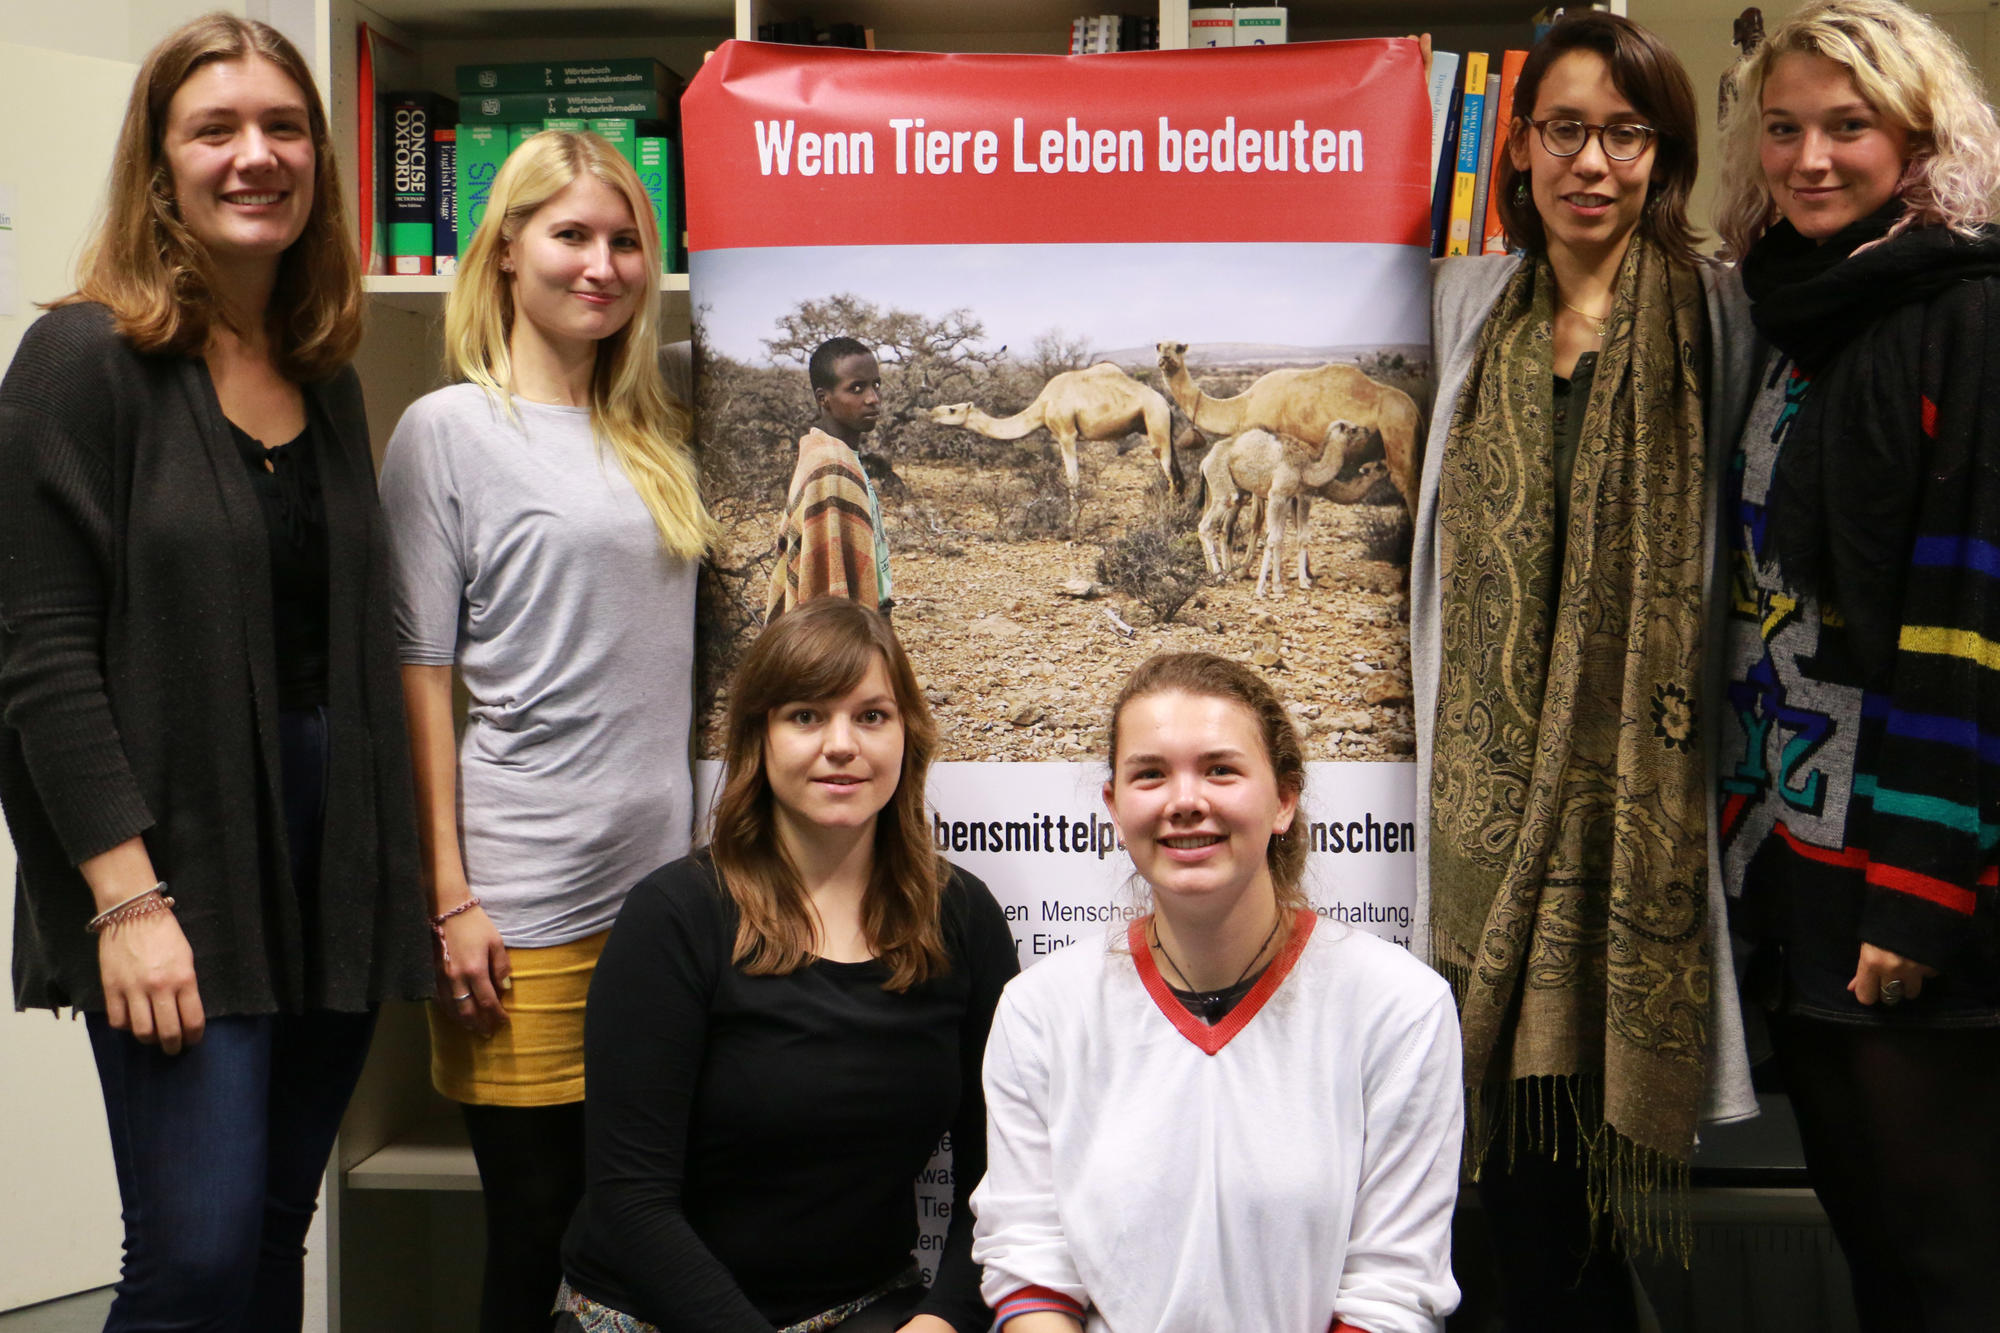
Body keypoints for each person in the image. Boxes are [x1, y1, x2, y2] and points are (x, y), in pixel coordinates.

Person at [0, 14, 430, 1329]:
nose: (258, 155)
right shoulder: (81, 361)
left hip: (331, 862)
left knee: (262, 1243)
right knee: (188, 1261)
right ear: (161, 162)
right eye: (217, 129)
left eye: (285, 126)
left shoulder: (326, 374)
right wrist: (123, 904)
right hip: (177, 859)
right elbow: (39, 657)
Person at [1410, 13, 1760, 1328]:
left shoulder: (1719, 314)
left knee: (1561, 1216)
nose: (1593, 163)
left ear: (1661, 155)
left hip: (1634, 818)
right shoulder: (1464, 308)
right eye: (1566, 129)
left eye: (1626, 134)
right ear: (1523, 145)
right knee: (1511, 1203)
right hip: (1483, 823)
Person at [378, 129, 714, 1333]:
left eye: (626, 239)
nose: (602, 264)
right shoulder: (448, 432)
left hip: (667, 895)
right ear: (506, 247)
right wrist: (450, 899)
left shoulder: (660, 417)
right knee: (538, 1227)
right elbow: (418, 676)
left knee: (646, 1224)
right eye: (570, 233)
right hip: (520, 902)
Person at [1712, 3, 2000, 1325]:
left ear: (1918, 138)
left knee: (1949, 1270)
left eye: (1848, 127)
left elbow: (1968, 614)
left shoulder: (1968, 315)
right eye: (1786, 128)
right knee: (1874, 1250)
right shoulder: (1781, 309)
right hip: (1799, 860)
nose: (1811, 158)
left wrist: (1921, 890)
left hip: (1914, 866)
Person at [558, 597, 1017, 1333]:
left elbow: (999, 1175)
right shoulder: (674, 917)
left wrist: (943, 1319)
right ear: (759, 737)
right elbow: (631, 1201)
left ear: (908, 735)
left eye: (872, 715)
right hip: (659, 1313)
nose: (843, 744)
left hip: (863, 1305)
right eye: (806, 715)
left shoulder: (963, 919)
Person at [971, 652, 1461, 1333]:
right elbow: (1031, 1268)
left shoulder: (1401, 1007)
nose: (1185, 800)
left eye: (1220, 768)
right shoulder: (1039, 1010)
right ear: (1114, 806)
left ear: (1284, 798)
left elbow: (1392, 1287)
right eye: (1150, 773)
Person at [766, 336, 893, 618]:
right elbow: (825, 581)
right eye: (856, 389)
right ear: (823, 398)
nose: (873, 399)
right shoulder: (830, 466)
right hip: (848, 624)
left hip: (875, 612)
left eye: (876, 384)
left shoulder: (842, 455)